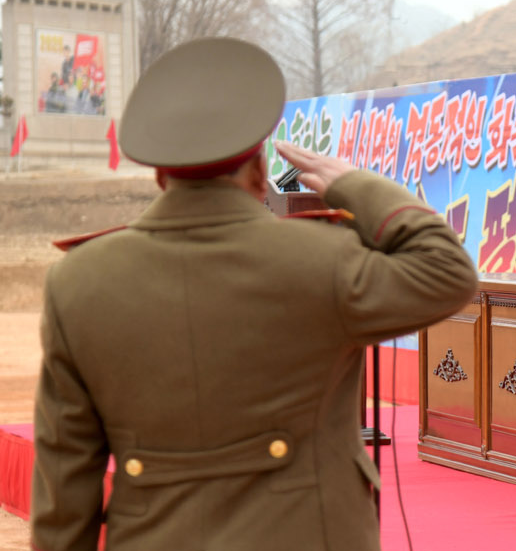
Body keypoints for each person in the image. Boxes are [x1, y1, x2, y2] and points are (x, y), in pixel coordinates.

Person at [31, 37, 479, 551]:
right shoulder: (322, 259)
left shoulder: (78, 280)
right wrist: (354, 183)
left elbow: (65, 473)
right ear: (260, 168)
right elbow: (447, 272)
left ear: (159, 174)